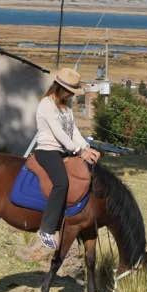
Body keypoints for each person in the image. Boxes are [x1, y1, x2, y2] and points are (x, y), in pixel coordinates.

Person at [33, 68, 101, 249]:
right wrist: (79, 151)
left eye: (72, 92)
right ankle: (46, 228)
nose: (71, 95)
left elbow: (73, 132)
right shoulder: (46, 105)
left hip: (64, 151)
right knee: (61, 183)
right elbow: (60, 134)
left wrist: (87, 148)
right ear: (60, 88)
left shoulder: (66, 108)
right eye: (69, 91)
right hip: (48, 151)